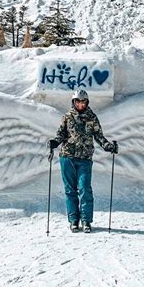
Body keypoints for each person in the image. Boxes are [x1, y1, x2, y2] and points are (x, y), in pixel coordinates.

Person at [48, 90, 118, 233]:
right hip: (67, 157)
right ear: (73, 102)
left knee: (85, 188)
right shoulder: (67, 117)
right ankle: (74, 220)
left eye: (83, 101)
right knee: (70, 190)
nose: (80, 104)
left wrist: (108, 146)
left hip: (85, 159)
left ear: (87, 103)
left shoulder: (92, 118)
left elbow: (99, 137)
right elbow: (60, 134)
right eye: (78, 101)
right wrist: (55, 142)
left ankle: (86, 220)